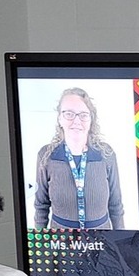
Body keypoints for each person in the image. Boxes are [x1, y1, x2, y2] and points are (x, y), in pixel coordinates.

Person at [34, 87, 123, 230]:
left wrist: (122, 239)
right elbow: (41, 207)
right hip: (60, 240)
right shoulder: (46, 156)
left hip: (101, 239)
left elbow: (116, 206)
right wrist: (38, 241)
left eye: (83, 115)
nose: (76, 121)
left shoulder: (106, 154)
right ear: (60, 118)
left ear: (91, 119)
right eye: (69, 114)